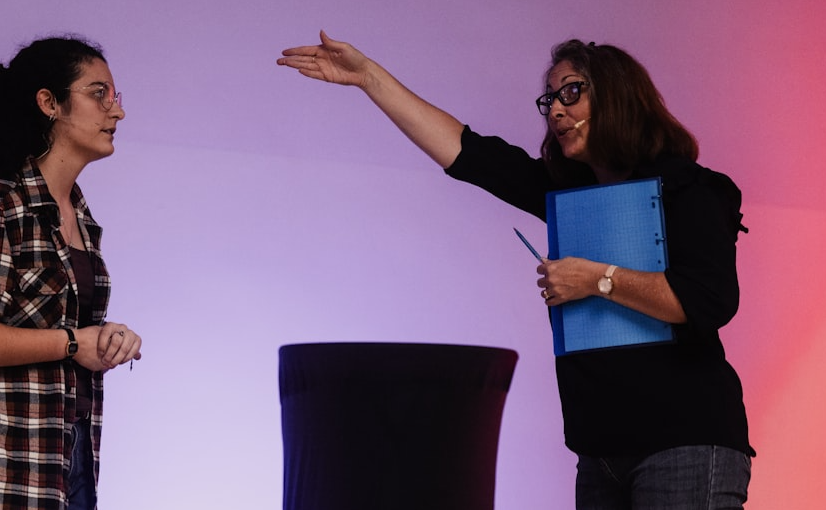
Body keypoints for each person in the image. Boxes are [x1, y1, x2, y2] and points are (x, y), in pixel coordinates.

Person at [278, 31, 754, 509]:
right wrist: (368, 77)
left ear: (618, 95)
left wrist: (594, 279)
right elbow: (468, 153)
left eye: (572, 92)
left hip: (685, 442)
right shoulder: (569, 197)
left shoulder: (689, 189)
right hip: (599, 451)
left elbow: (706, 300)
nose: (556, 111)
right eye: (550, 99)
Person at [0, 36, 142, 510]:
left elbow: (58, 323)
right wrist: (75, 343)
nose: (117, 111)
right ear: (49, 103)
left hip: (67, 455)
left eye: (115, 96)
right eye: (99, 93)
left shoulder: (79, 214)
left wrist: (106, 339)